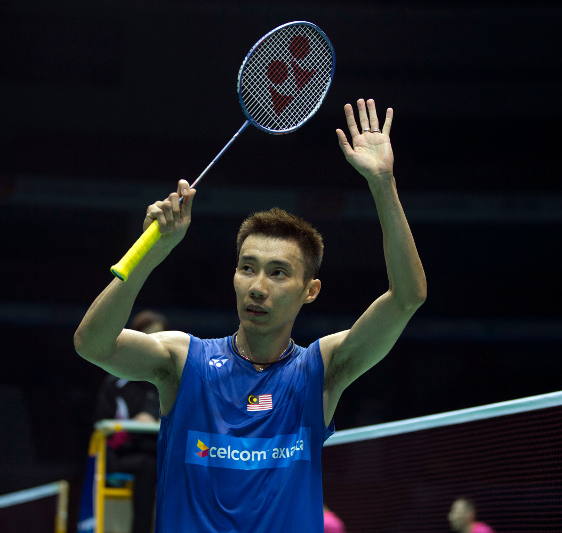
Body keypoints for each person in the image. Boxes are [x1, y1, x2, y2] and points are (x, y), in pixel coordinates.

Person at [74, 99, 427, 532]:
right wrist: (152, 254)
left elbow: (407, 297)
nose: (257, 286)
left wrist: (383, 183)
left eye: (278, 273)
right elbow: (92, 344)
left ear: (309, 291)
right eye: (247, 267)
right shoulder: (184, 363)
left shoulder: (323, 369)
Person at [93, 310, 166, 533]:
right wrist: (131, 427)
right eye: (151, 338)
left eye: (161, 338)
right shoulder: (116, 382)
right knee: (149, 466)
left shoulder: (165, 382)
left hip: (159, 452)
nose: (157, 344)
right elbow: (101, 425)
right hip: (122, 455)